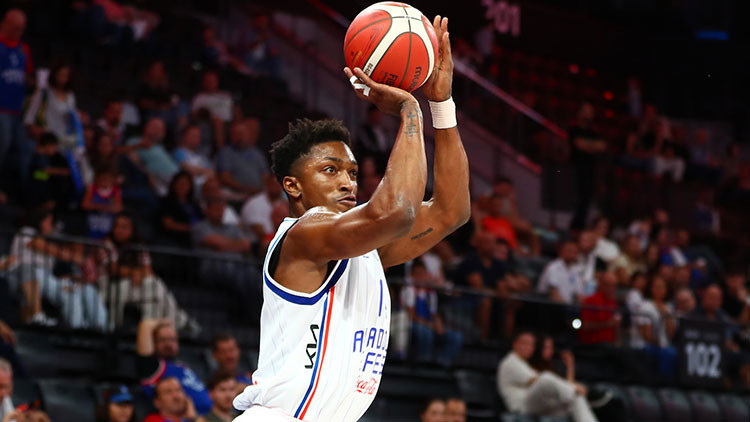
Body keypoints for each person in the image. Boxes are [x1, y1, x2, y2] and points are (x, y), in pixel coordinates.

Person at [233, 17, 470, 422]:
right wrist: (409, 109)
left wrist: (441, 104)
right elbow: (397, 211)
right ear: (293, 186)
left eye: (353, 173)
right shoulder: (304, 235)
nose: (347, 182)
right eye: (330, 170)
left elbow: (452, 212)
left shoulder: (364, 248)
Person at [8, 209, 108, 330]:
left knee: (79, 291)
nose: (52, 226)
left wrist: (71, 278)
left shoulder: (47, 240)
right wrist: (73, 256)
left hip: (46, 277)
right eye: (49, 222)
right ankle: (45, 319)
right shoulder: (27, 231)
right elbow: (38, 245)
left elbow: (54, 272)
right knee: (32, 271)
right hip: (24, 275)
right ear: (40, 221)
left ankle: (94, 327)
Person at [98, 213, 196, 331]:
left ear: (132, 230)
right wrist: (134, 272)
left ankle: (150, 330)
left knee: (154, 291)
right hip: (111, 286)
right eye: (116, 226)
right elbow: (113, 270)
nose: (119, 230)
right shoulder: (107, 244)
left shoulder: (138, 245)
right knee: (154, 287)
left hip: (132, 286)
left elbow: (149, 271)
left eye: (124, 227)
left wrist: (137, 273)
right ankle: (179, 322)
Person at [498, 332, 598, 422]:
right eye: (525, 343)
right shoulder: (511, 361)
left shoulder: (525, 363)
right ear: (514, 344)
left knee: (576, 399)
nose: (529, 347)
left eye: (531, 345)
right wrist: (574, 388)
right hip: (521, 407)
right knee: (546, 378)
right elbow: (538, 380)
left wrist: (570, 367)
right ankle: (575, 393)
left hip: (538, 406)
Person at [137, 319, 212, 415]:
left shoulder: (182, 365)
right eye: (162, 340)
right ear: (153, 343)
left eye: (172, 339)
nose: (168, 344)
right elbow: (145, 325)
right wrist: (164, 322)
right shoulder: (153, 367)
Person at [402, 259, 463, 366]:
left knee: (455, 336)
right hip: (412, 324)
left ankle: (443, 363)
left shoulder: (430, 293)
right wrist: (429, 325)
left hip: (428, 324)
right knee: (425, 332)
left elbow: (433, 313)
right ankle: (423, 361)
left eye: (423, 274)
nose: (421, 277)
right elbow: (410, 315)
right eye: (417, 274)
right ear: (412, 276)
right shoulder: (409, 290)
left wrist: (439, 325)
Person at [0, 9, 33, 179]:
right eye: (15, 27)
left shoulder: (23, 49)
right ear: (4, 24)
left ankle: (22, 187)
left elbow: (27, 76)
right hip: (1, 109)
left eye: (22, 28)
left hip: (19, 110)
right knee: (3, 143)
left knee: (27, 148)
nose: (19, 32)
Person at [457, 232, 508, 340]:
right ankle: (482, 340)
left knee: (512, 302)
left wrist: (500, 291)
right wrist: (495, 292)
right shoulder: (470, 260)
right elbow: (478, 287)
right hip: (467, 297)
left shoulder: (498, 264)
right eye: (488, 243)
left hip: (491, 297)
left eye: (494, 243)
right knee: (485, 301)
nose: (492, 246)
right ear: (479, 244)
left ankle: (505, 340)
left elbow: (502, 288)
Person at [24, 61, 80, 149]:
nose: (62, 78)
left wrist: (76, 116)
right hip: (46, 137)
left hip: (63, 139)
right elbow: (31, 113)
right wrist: (34, 129)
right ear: (54, 75)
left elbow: (73, 119)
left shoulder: (70, 96)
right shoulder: (45, 92)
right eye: (60, 74)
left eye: (65, 76)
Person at [568, 102, 607, 230]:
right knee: (576, 200)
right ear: (579, 113)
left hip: (590, 171)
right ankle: (573, 228)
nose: (588, 115)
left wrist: (587, 145)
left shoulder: (594, 133)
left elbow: (602, 146)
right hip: (575, 170)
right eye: (585, 111)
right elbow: (579, 144)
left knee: (586, 200)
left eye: (590, 112)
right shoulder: (574, 130)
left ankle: (580, 227)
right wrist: (592, 146)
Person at [216, 118, 269, 198]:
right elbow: (224, 177)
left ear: (248, 135)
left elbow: (265, 175)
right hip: (235, 193)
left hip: (258, 193)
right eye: (236, 134)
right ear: (231, 136)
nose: (240, 137)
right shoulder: (226, 153)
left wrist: (262, 189)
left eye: (242, 134)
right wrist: (245, 189)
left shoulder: (256, 152)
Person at [125, 117, 179, 196]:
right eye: (155, 127)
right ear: (146, 127)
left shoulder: (160, 147)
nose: (158, 131)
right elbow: (133, 160)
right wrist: (147, 173)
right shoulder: (134, 142)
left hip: (176, 176)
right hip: (159, 178)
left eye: (161, 130)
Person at [488, 177, 540, 255]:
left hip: (509, 225)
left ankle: (534, 256)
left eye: (507, 189)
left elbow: (515, 216)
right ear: (496, 187)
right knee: (526, 228)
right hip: (500, 224)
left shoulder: (509, 200)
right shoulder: (489, 198)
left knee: (534, 234)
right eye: (503, 188)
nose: (506, 190)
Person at [26, 132, 73, 210]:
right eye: (54, 147)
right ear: (48, 145)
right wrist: (63, 172)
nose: (55, 149)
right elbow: (42, 172)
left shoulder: (45, 158)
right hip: (35, 197)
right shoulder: (37, 157)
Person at [239, 174, 285, 251]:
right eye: (274, 184)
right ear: (267, 184)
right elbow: (261, 234)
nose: (277, 187)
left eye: (280, 184)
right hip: (255, 246)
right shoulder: (254, 203)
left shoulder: (283, 203)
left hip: (276, 241)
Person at [159, 171, 204, 246]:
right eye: (180, 183)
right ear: (174, 185)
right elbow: (168, 224)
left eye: (185, 184)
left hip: (198, 236)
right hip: (179, 238)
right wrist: (191, 229)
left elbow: (202, 220)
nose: (182, 187)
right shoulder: (167, 202)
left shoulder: (193, 203)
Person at [191, 70, 233, 149]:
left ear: (217, 82)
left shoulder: (226, 95)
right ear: (204, 82)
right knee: (218, 121)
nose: (210, 83)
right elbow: (193, 115)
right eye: (208, 81)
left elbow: (235, 110)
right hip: (210, 123)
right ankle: (221, 150)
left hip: (229, 123)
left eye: (213, 80)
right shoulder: (199, 97)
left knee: (253, 123)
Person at [536, 240, 584, 305]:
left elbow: (579, 295)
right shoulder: (553, 267)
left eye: (575, 252)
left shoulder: (576, 270)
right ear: (562, 251)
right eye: (569, 251)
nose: (572, 254)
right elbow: (554, 295)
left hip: (567, 306)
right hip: (548, 305)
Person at [579, 271, 621, 345]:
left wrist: (617, 341)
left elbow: (616, 326)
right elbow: (584, 325)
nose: (611, 288)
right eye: (608, 285)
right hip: (592, 344)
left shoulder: (613, 302)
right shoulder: (590, 301)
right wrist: (607, 324)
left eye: (613, 286)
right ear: (601, 284)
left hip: (609, 344)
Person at [82, 166, 123, 239]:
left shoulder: (116, 191)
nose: (105, 181)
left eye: (108, 178)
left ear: (113, 179)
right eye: (103, 178)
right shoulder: (92, 188)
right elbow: (85, 204)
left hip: (108, 224)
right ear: (97, 179)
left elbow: (118, 208)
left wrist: (105, 208)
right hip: (92, 223)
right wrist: (97, 206)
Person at [172, 125, 213, 189]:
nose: (196, 138)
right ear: (185, 136)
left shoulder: (202, 156)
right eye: (193, 136)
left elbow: (211, 173)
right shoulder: (179, 152)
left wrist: (197, 172)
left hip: (205, 187)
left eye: (198, 136)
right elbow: (186, 168)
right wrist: (204, 171)